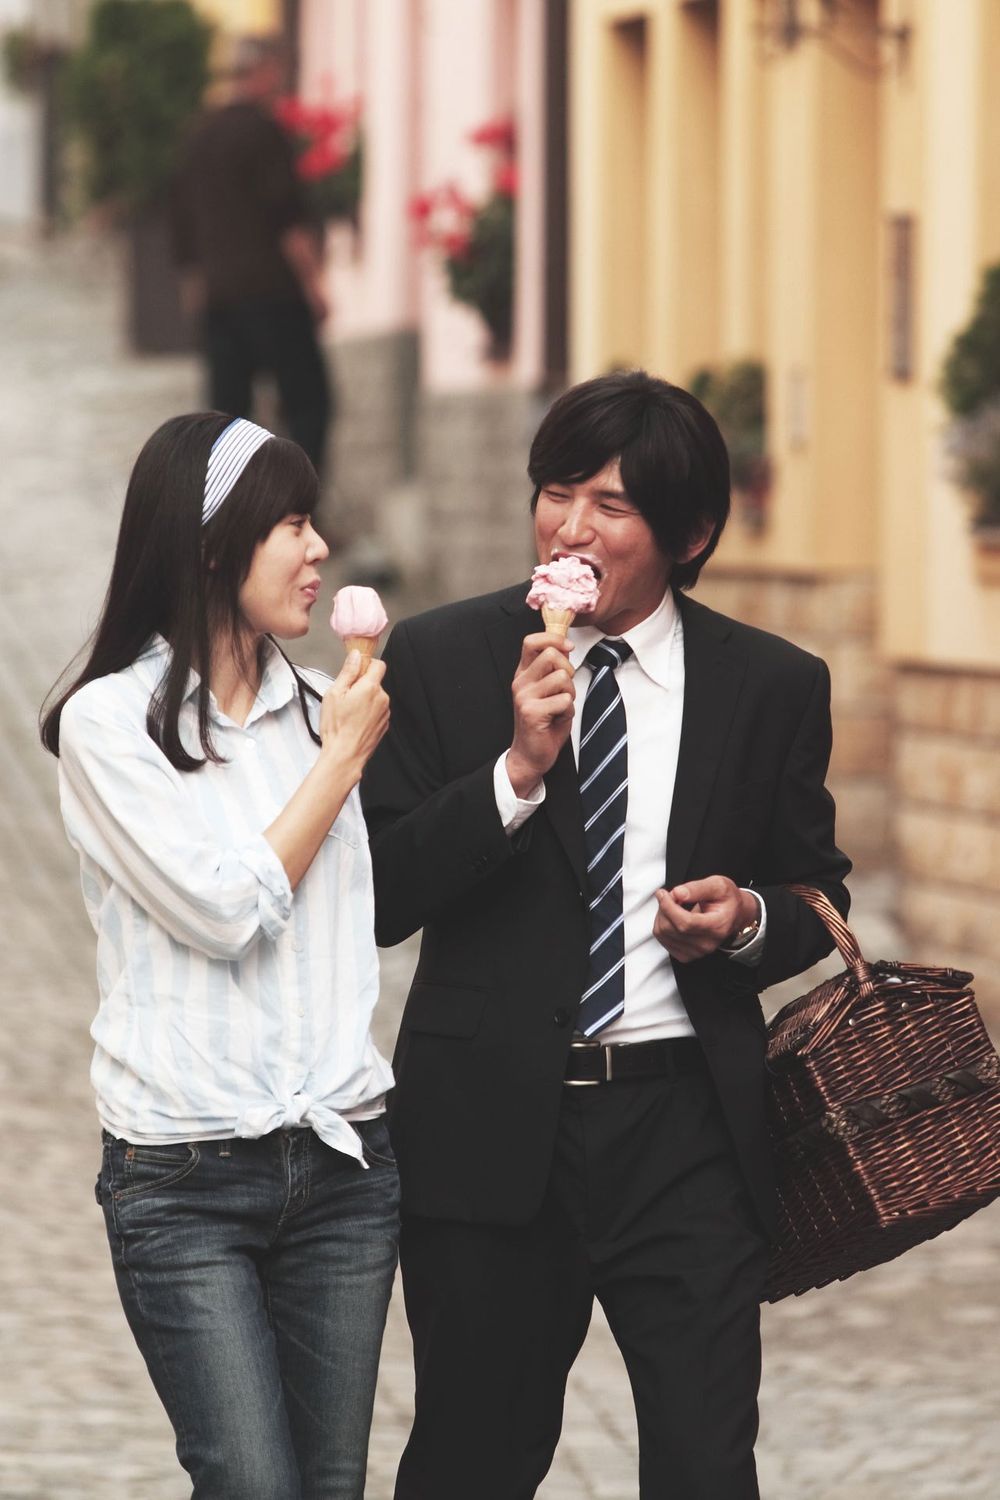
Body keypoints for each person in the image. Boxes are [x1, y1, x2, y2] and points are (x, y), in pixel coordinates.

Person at [362, 370, 852, 1499]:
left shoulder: (771, 685)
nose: (570, 528)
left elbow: (815, 892)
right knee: (473, 1463)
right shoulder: (441, 658)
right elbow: (380, 896)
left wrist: (745, 921)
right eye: (556, 493)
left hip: (686, 1128)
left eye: (610, 505)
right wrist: (514, 773)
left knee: (704, 1465)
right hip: (489, 1130)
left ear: (691, 534)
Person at [41, 413, 396, 1500]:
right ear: (208, 548)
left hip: (341, 1165)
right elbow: (225, 908)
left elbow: (392, 891)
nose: (319, 548)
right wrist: (338, 764)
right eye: (291, 524)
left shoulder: (326, 710)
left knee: (329, 1485)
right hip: (183, 1176)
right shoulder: (110, 726)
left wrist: (518, 766)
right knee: (250, 1482)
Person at [171, 37, 333, 474]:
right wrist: (314, 286)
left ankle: (230, 506)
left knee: (227, 418)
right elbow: (288, 220)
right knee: (308, 402)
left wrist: (196, 294)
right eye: (278, 70)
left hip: (220, 297)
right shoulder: (263, 131)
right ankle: (300, 503)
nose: (281, 81)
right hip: (272, 292)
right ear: (261, 71)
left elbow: (182, 227)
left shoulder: (200, 135)